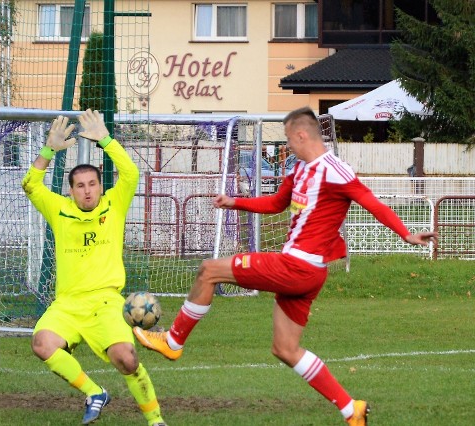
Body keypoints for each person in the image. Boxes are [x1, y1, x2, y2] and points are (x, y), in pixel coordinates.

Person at [133, 106, 438, 425]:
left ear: (301, 134)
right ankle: (352, 410)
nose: (288, 146)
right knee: (285, 348)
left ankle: (173, 341)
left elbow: (371, 202)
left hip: (298, 267)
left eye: (289, 140)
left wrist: (406, 234)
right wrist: (236, 201)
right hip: (305, 272)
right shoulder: (300, 171)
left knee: (209, 270)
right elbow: (276, 203)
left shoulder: (335, 170)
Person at [22, 109, 167, 426]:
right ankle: (94, 393)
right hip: (68, 304)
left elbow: (130, 174)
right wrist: (48, 150)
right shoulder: (59, 209)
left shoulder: (114, 205)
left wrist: (106, 140)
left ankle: (155, 421)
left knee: (126, 359)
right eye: (79, 186)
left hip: (106, 302)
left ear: (101, 187)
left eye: (92, 184)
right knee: (42, 343)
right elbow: (31, 184)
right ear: (71, 191)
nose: (86, 190)